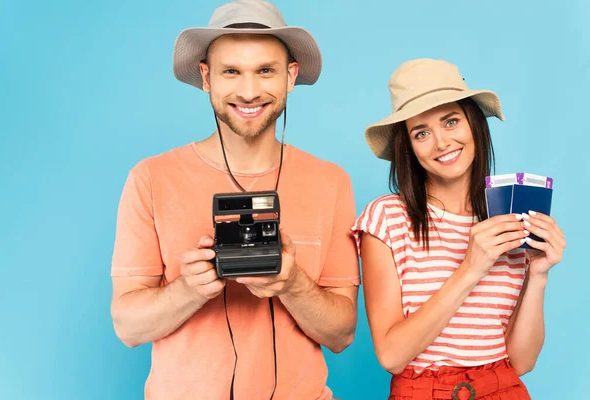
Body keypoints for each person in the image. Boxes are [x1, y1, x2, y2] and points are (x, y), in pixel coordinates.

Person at [109, 1, 360, 399]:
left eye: (265, 70)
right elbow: (127, 327)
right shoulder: (151, 178)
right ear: (206, 77)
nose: (248, 91)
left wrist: (291, 283)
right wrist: (189, 289)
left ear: (290, 76)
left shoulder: (331, 181)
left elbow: (342, 333)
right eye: (231, 71)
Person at [351, 59, 565, 400]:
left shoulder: (507, 218)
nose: (441, 142)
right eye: (422, 132)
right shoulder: (386, 218)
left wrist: (538, 275)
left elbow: (521, 362)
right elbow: (391, 355)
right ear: (408, 147)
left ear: (474, 124)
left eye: (451, 121)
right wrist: (471, 267)